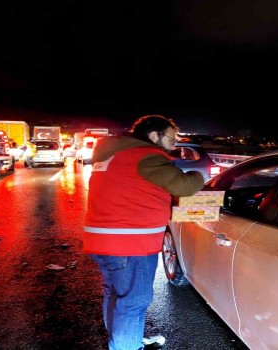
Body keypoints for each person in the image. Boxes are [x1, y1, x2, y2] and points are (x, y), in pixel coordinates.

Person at [83, 115, 204, 350]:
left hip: (103, 241)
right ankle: (126, 345)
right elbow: (185, 186)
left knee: (116, 295)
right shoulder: (145, 156)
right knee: (134, 302)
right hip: (131, 244)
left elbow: (137, 190)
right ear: (153, 136)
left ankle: (124, 340)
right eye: (172, 138)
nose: (175, 143)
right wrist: (198, 176)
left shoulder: (114, 154)